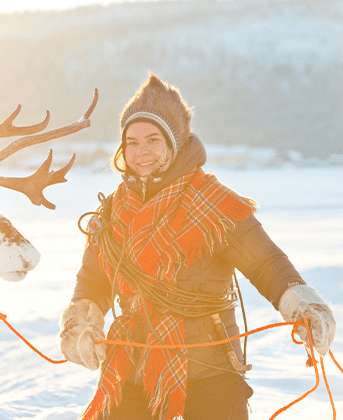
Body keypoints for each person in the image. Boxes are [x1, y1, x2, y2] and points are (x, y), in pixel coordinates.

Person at [59, 73, 337, 420]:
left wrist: (303, 307)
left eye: (152, 139)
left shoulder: (215, 205)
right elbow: (95, 279)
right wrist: (83, 321)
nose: (140, 151)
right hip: (132, 364)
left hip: (211, 370)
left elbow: (266, 264)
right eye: (131, 142)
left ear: (174, 143)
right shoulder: (113, 211)